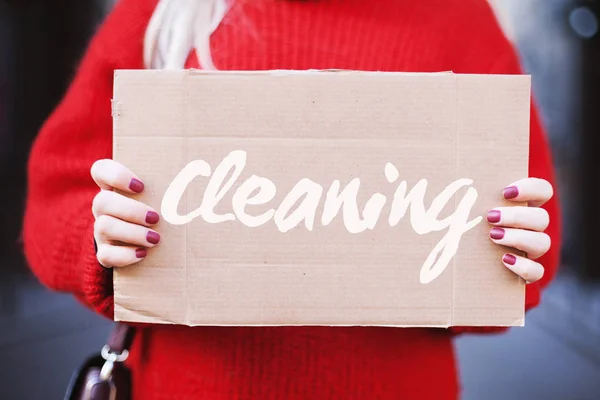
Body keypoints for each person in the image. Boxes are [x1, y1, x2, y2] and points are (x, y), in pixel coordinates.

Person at [22, 0, 561, 398]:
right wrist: (98, 239)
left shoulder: (461, 19)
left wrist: (507, 253)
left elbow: (538, 231)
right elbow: (55, 196)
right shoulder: (164, 12)